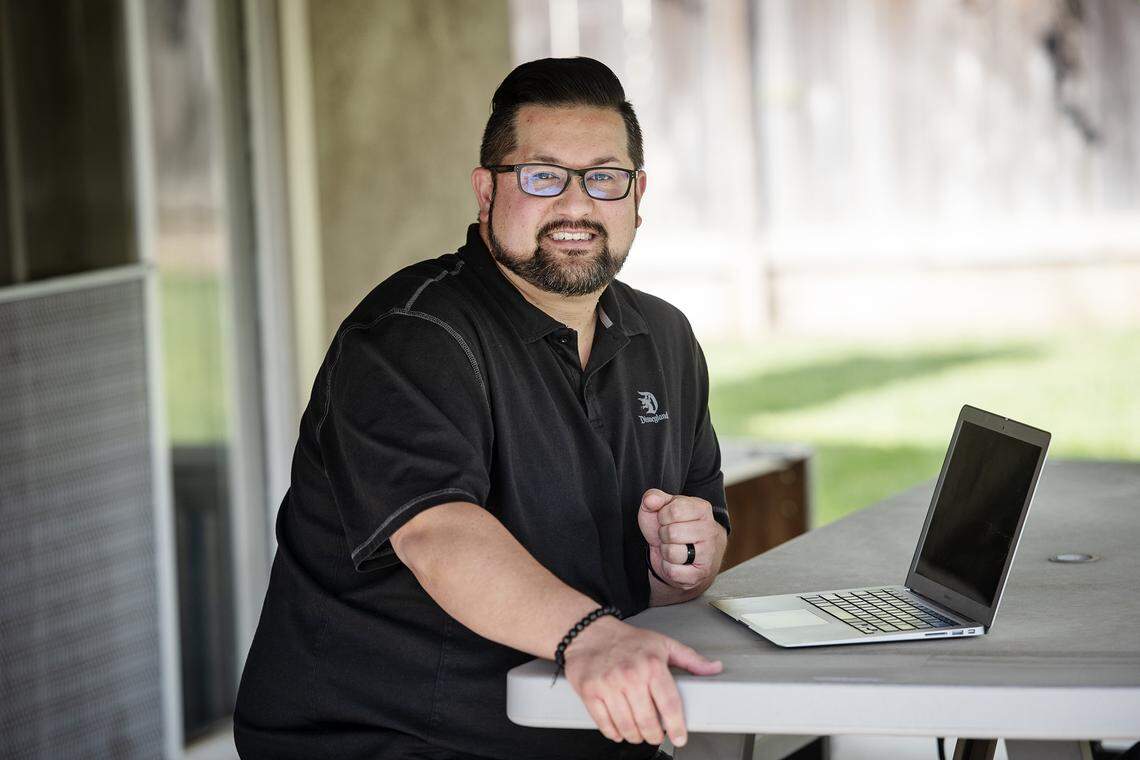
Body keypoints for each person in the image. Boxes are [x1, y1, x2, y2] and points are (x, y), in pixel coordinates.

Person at [234, 57, 730, 760]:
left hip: (572, 726)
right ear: (485, 191)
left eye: (604, 177)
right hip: (388, 739)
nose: (577, 204)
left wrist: (681, 564)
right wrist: (592, 637)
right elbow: (438, 535)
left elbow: (694, 536)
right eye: (542, 175)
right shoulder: (412, 336)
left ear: (637, 194)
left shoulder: (664, 338)